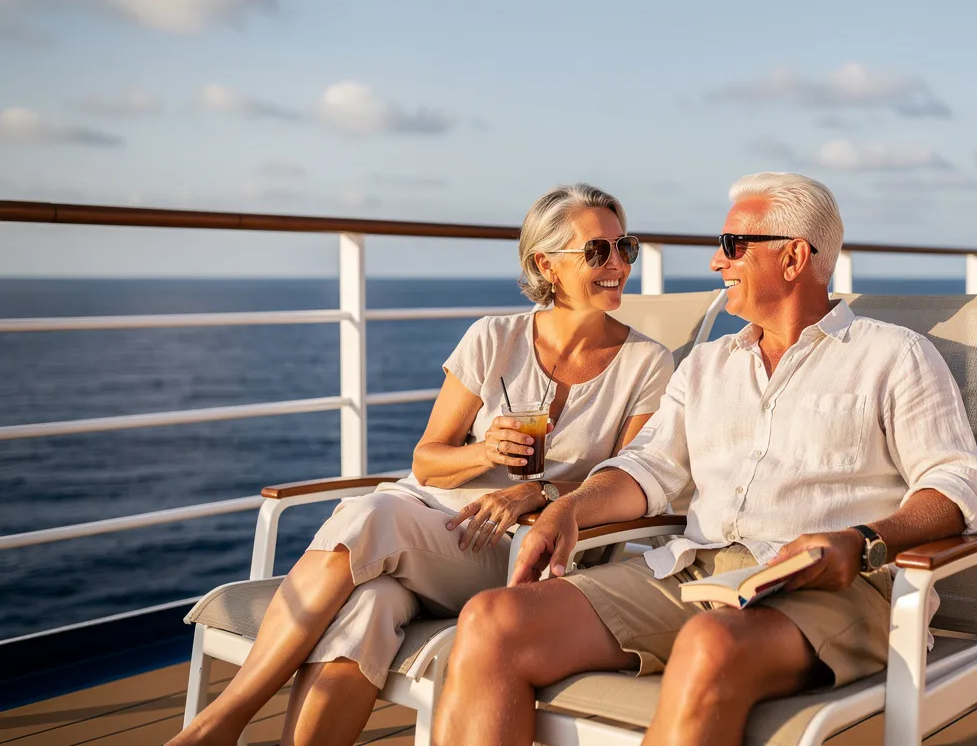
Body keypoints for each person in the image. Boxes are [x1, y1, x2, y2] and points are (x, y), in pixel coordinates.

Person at [433, 172, 977, 745]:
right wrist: (569, 510)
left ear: (794, 257)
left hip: (837, 587)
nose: (714, 262)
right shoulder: (706, 365)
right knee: (492, 621)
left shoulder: (893, 356)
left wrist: (861, 539)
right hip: (696, 571)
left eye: (732, 246)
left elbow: (957, 485)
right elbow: (645, 467)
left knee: (709, 641)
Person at [168, 183, 674, 746]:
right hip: (430, 527)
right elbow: (427, 462)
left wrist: (543, 494)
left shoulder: (648, 363)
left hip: (520, 552)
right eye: (597, 251)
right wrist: (485, 452)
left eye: (624, 247)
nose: (618, 265)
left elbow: (629, 473)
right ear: (546, 264)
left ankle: (222, 722)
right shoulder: (493, 338)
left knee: (370, 516)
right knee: (367, 606)